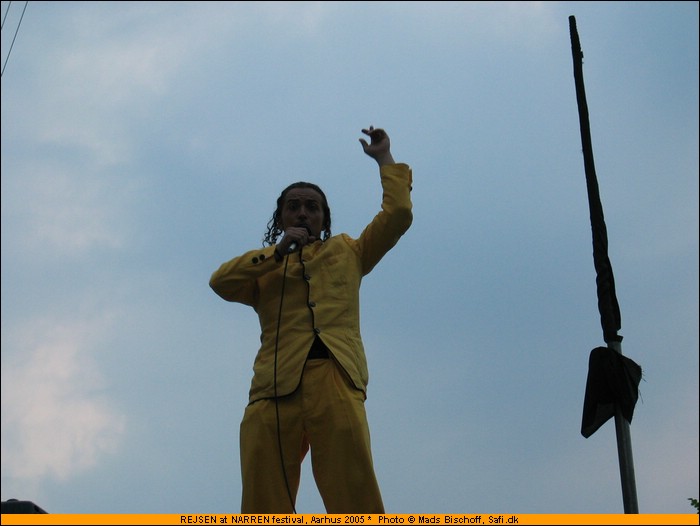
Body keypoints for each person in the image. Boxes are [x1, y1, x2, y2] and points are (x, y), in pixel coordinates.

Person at [209, 126, 413, 513]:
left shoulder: (350, 252)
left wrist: (385, 159)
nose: (303, 211)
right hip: (272, 389)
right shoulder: (265, 268)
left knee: (354, 494)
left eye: (312, 206)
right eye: (294, 206)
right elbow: (219, 282)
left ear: (324, 218)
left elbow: (398, 215)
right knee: (263, 501)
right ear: (281, 216)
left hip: (336, 380)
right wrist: (275, 253)